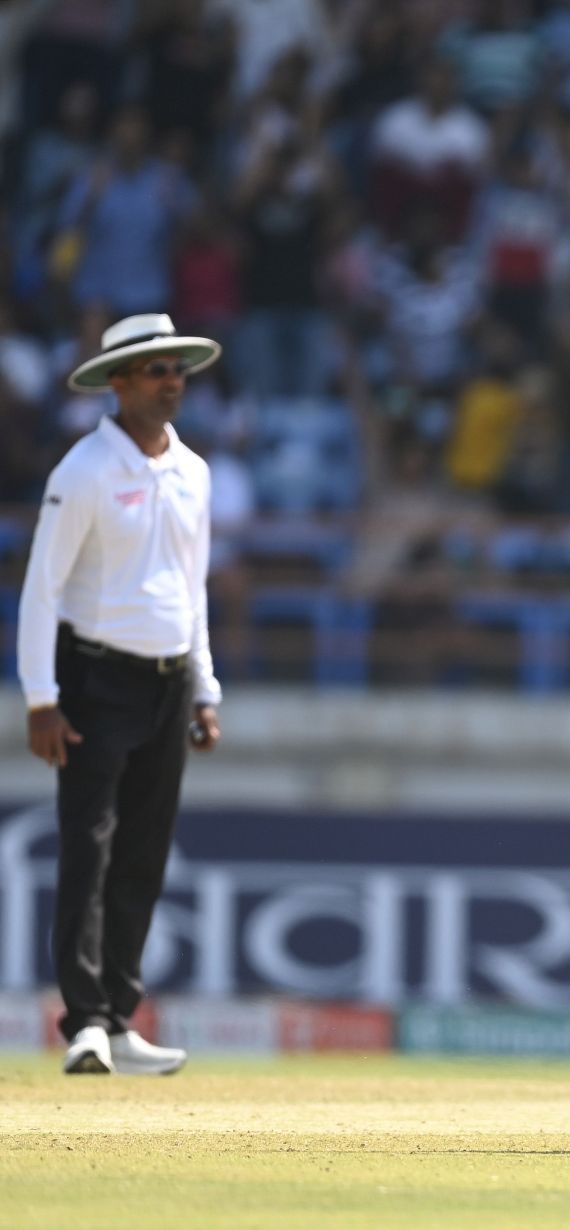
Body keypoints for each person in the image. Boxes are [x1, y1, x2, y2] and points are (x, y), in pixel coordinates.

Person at [16, 313, 226, 1075]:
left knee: (143, 851)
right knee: (89, 847)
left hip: (169, 680)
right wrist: (41, 697)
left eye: (178, 369)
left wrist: (204, 687)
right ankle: (84, 1024)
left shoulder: (193, 471)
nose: (172, 382)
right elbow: (43, 589)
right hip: (97, 676)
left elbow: (190, 586)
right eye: (157, 370)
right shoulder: (83, 472)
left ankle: (121, 1015)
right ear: (119, 382)